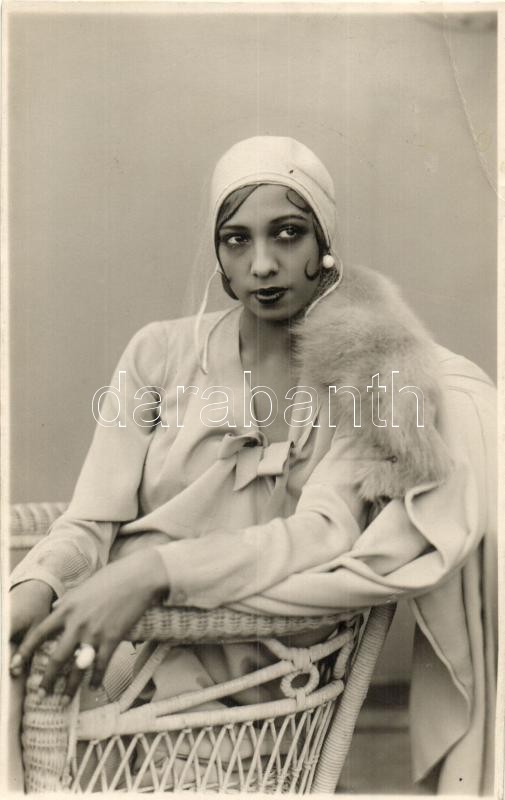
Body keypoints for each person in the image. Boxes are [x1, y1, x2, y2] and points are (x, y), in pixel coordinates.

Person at [9, 136, 496, 794]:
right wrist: (35, 585)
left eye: (288, 234)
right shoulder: (156, 353)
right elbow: (90, 522)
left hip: (260, 681)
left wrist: (155, 572)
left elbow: (323, 533)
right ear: (218, 255)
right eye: (236, 240)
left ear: (324, 240)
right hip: (119, 656)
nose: (262, 265)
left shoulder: (365, 371)